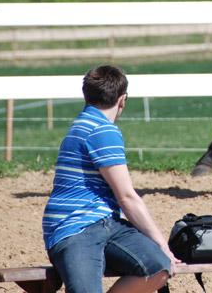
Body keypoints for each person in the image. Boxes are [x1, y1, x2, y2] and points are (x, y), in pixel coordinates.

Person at [42, 65, 178, 293]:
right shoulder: (103, 131)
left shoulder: (82, 124)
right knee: (160, 266)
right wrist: (162, 244)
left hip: (102, 223)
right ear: (122, 100)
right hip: (76, 228)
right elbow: (126, 197)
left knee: (158, 267)